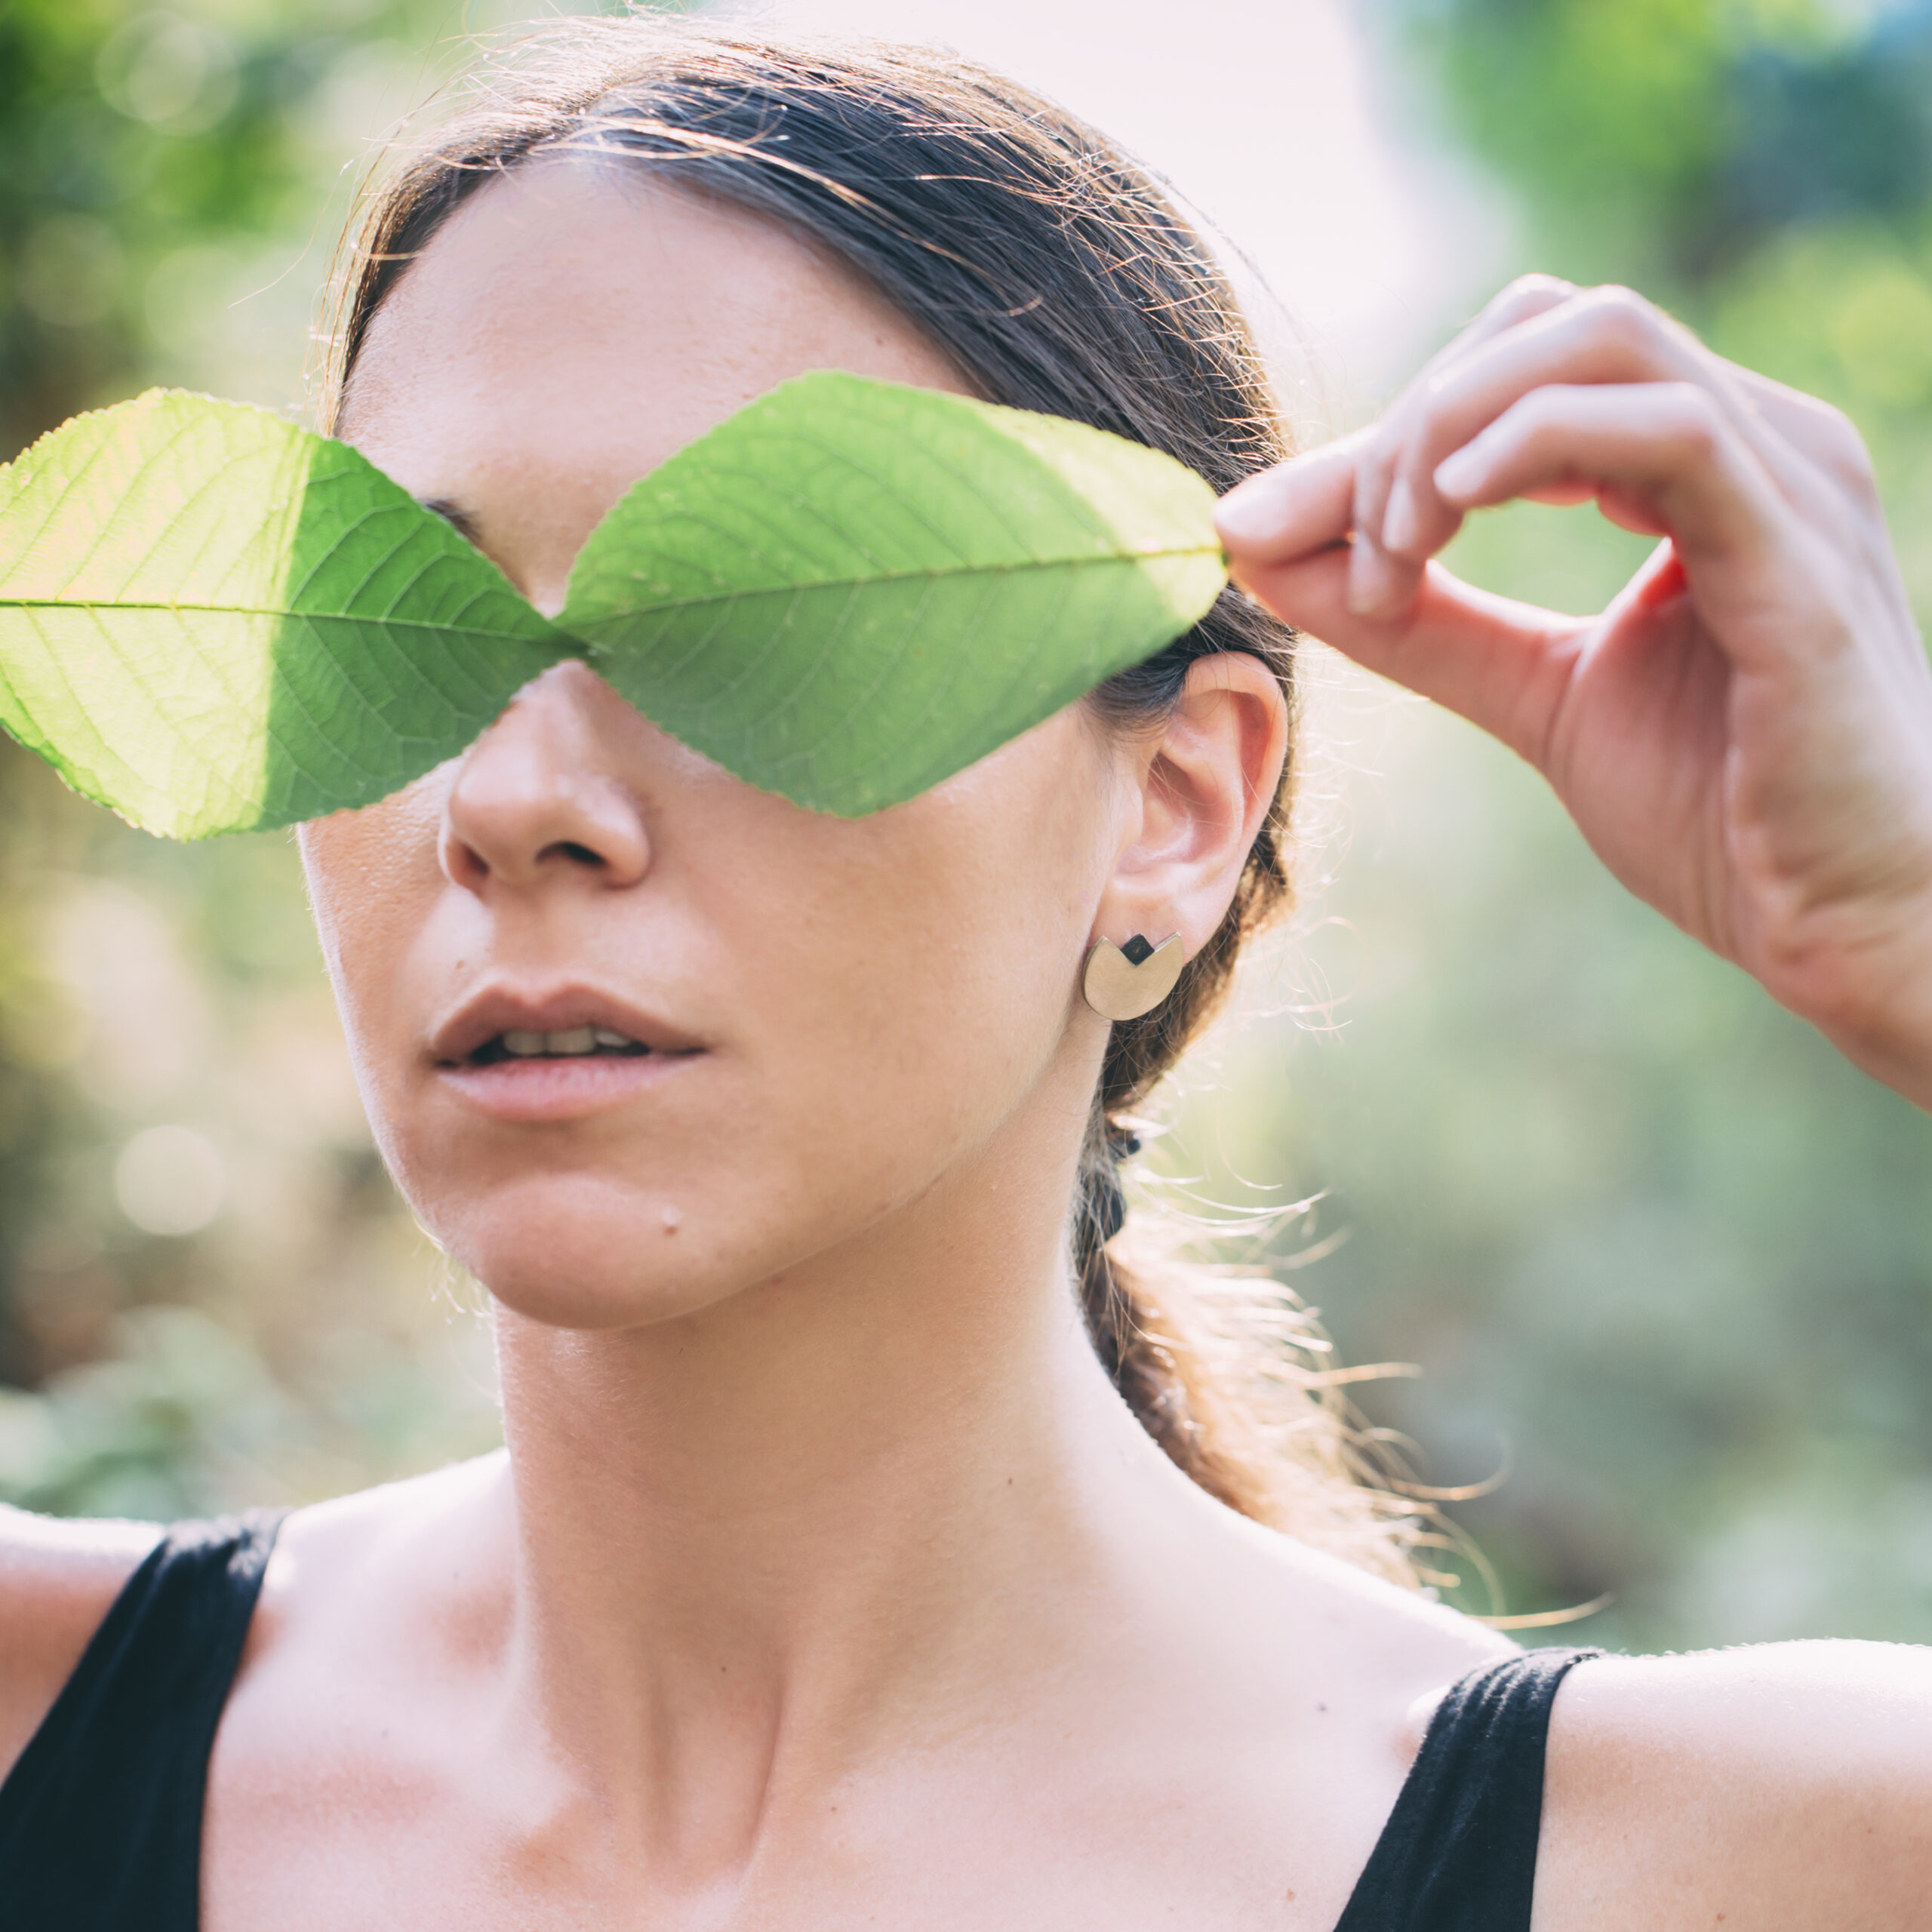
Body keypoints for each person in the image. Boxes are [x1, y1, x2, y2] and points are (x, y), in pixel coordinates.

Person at [2, 22, 1929, 1930]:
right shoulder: (37, 1714)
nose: (512, 799)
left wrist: (1906, 939)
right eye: (401, 634)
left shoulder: (1746, 1860)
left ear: (1170, 808)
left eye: (744, 622)